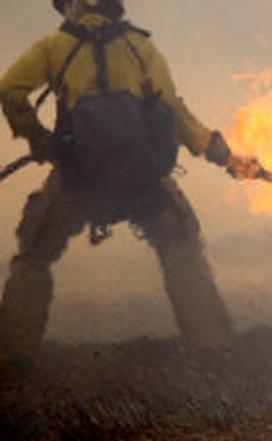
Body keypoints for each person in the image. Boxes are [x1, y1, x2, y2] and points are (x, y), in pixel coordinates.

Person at [0, 0, 239, 380]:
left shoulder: (54, 46)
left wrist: (37, 138)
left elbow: (10, 90)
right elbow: (174, 110)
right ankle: (213, 352)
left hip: (78, 178)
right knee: (182, 247)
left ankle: (13, 360)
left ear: (73, 5)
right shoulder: (139, 47)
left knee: (34, 255)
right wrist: (218, 152)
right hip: (143, 179)